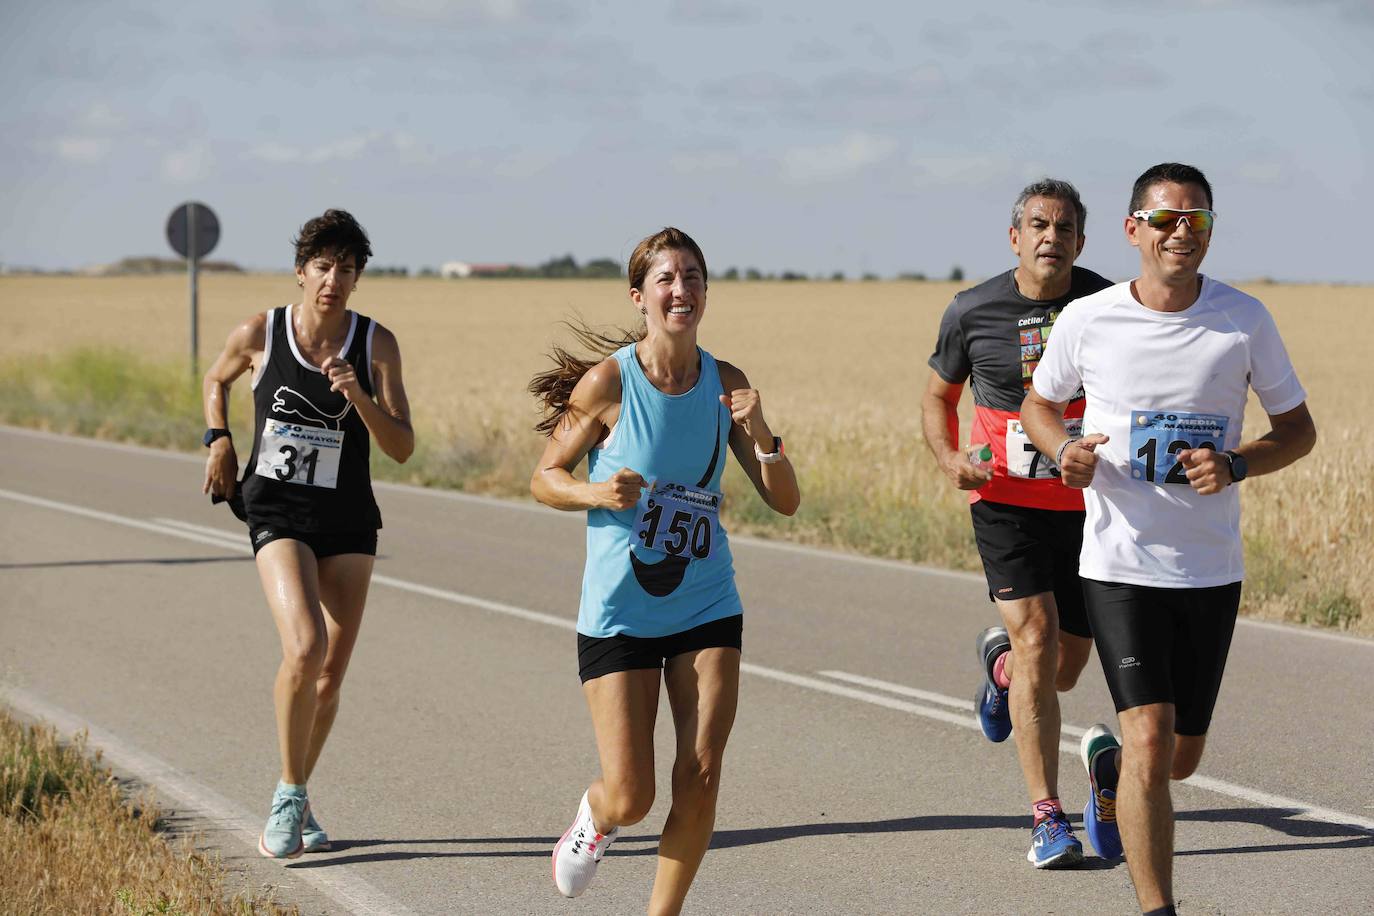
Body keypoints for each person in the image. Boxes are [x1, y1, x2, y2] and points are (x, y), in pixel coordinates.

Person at [1021, 163, 1315, 915]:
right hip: (1119, 563)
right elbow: (1038, 406)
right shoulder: (1091, 319)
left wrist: (1238, 463)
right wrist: (1064, 453)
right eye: (1165, 219)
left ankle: (1109, 771)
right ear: (1132, 231)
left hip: (1209, 569)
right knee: (1152, 739)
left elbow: (1298, 431)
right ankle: (1159, 909)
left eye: (1197, 220)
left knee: (1179, 758)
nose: (1182, 231)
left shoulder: (1243, 319)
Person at [529, 227, 799, 914]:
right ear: (640, 296)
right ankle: (596, 816)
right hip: (620, 609)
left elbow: (785, 501)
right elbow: (544, 478)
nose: (682, 290)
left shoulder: (727, 385)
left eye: (693, 277)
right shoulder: (609, 382)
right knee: (634, 794)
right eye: (667, 279)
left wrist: (763, 434)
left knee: (701, 773)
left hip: (706, 600)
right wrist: (596, 492)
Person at [201, 209, 414, 859]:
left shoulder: (375, 345)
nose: (333, 279)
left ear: (357, 279)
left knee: (329, 678)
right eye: (323, 266)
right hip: (278, 511)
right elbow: (216, 379)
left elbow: (402, 447)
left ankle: (297, 788)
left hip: (348, 517)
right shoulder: (261, 333)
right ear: (301, 272)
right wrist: (218, 438)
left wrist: (360, 395)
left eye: (347, 269)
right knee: (305, 646)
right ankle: (289, 799)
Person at [921, 178, 1112, 869]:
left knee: (1061, 671)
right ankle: (1047, 818)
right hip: (1004, 500)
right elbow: (937, 398)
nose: (1050, 238)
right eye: (1038, 225)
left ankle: (1000, 672)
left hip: (1090, 507)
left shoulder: (1108, 304)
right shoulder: (972, 310)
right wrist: (949, 461)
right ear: (1015, 237)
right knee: (1036, 639)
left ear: (1080, 242)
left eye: (1064, 229)